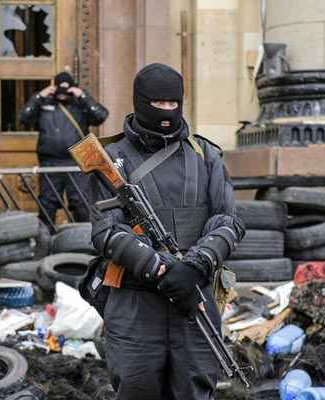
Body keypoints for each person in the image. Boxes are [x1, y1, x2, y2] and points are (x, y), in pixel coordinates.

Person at [88, 63, 245, 399]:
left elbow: (229, 221)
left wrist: (197, 265)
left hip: (194, 297)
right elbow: (105, 232)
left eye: (172, 104)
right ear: (140, 102)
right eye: (157, 104)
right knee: (136, 387)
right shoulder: (109, 159)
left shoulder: (206, 156)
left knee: (195, 388)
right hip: (135, 302)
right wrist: (156, 265)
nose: (166, 111)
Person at [20, 72, 108, 229]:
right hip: (50, 162)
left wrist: (83, 96)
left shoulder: (80, 105)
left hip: (76, 163)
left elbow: (100, 116)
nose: (62, 95)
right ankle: (45, 243)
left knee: (80, 203)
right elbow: (24, 117)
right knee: (47, 203)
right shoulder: (44, 103)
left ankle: (84, 242)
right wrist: (39, 96)